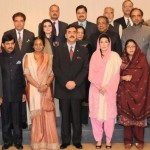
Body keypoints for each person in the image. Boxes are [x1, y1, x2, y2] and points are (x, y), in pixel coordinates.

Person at [53, 24, 89, 149]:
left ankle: (77, 141)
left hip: (77, 88)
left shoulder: (84, 50)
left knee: (76, 116)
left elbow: (85, 69)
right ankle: (66, 141)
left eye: (74, 32)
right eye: (69, 32)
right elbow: (55, 68)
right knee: (65, 117)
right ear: (65, 34)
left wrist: (75, 82)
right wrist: (65, 82)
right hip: (63, 88)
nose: (72, 34)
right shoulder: (58, 49)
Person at [23, 37, 59, 150]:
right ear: (33, 46)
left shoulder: (49, 58)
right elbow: (27, 74)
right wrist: (39, 86)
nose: (38, 46)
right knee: (37, 117)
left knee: (48, 115)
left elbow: (52, 74)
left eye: (40, 44)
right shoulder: (27, 57)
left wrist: (45, 85)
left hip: (46, 90)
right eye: (36, 44)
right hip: (34, 90)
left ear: (43, 46)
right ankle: (38, 143)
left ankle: (50, 142)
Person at [89, 34, 121, 149]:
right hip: (96, 90)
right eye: (101, 42)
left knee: (109, 117)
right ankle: (98, 140)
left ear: (109, 43)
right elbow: (91, 74)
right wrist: (99, 86)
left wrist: (106, 87)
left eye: (105, 42)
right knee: (95, 116)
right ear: (98, 43)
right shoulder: (94, 55)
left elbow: (116, 75)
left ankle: (108, 140)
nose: (103, 44)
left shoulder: (115, 56)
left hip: (109, 90)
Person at [3, 12, 35, 129]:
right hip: (12, 70)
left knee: (24, 95)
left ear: (24, 22)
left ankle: (23, 120)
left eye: (21, 20)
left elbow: (33, 52)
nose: (19, 23)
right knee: (13, 96)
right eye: (16, 20)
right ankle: (12, 121)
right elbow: (4, 51)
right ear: (13, 22)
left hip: (27, 70)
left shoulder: (30, 35)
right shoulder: (7, 33)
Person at [117, 39, 150, 150]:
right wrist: (123, 78)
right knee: (127, 118)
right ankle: (127, 140)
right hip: (125, 92)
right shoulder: (122, 60)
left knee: (139, 118)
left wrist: (140, 90)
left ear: (136, 48)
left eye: (133, 46)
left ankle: (139, 140)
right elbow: (115, 75)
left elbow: (146, 77)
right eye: (128, 46)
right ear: (125, 49)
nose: (131, 48)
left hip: (140, 93)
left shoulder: (142, 59)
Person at [0, 34, 25, 150]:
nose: (10, 46)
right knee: (5, 120)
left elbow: (23, 76)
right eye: (7, 44)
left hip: (17, 94)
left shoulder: (20, 56)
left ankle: (18, 141)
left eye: (11, 43)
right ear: (3, 45)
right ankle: (7, 142)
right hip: (3, 95)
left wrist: (24, 92)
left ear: (14, 44)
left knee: (17, 120)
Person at [76, 26, 92, 126]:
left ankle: (84, 119)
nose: (80, 34)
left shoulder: (89, 45)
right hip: (74, 75)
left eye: (82, 33)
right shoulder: (71, 44)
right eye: (78, 32)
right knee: (76, 98)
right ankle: (75, 120)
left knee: (85, 98)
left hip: (86, 75)